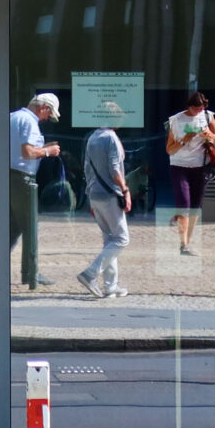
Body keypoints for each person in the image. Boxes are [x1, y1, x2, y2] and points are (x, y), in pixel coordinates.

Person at [79, 101, 131, 298]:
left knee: (110, 239)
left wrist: (89, 197)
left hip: (95, 193)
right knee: (122, 239)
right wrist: (125, 190)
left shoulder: (92, 137)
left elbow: (87, 169)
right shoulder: (111, 138)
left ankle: (111, 286)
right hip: (110, 194)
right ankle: (91, 273)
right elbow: (115, 169)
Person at [10, 93, 61, 289]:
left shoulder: (13, 117)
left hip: (8, 175)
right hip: (22, 178)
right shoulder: (30, 121)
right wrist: (48, 151)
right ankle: (31, 274)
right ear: (44, 108)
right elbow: (27, 152)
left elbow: (18, 149)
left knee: (13, 227)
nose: (47, 118)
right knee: (30, 226)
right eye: (49, 114)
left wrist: (43, 147)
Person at [166, 91, 215, 255]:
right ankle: (183, 244)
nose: (199, 112)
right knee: (184, 203)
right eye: (196, 109)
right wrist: (184, 140)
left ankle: (187, 241)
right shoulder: (177, 120)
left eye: (201, 108)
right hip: (179, 166)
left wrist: (209, 136)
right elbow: (169, 149)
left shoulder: (208, 117)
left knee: (196, 207)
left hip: (201, 166)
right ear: (189, 106)